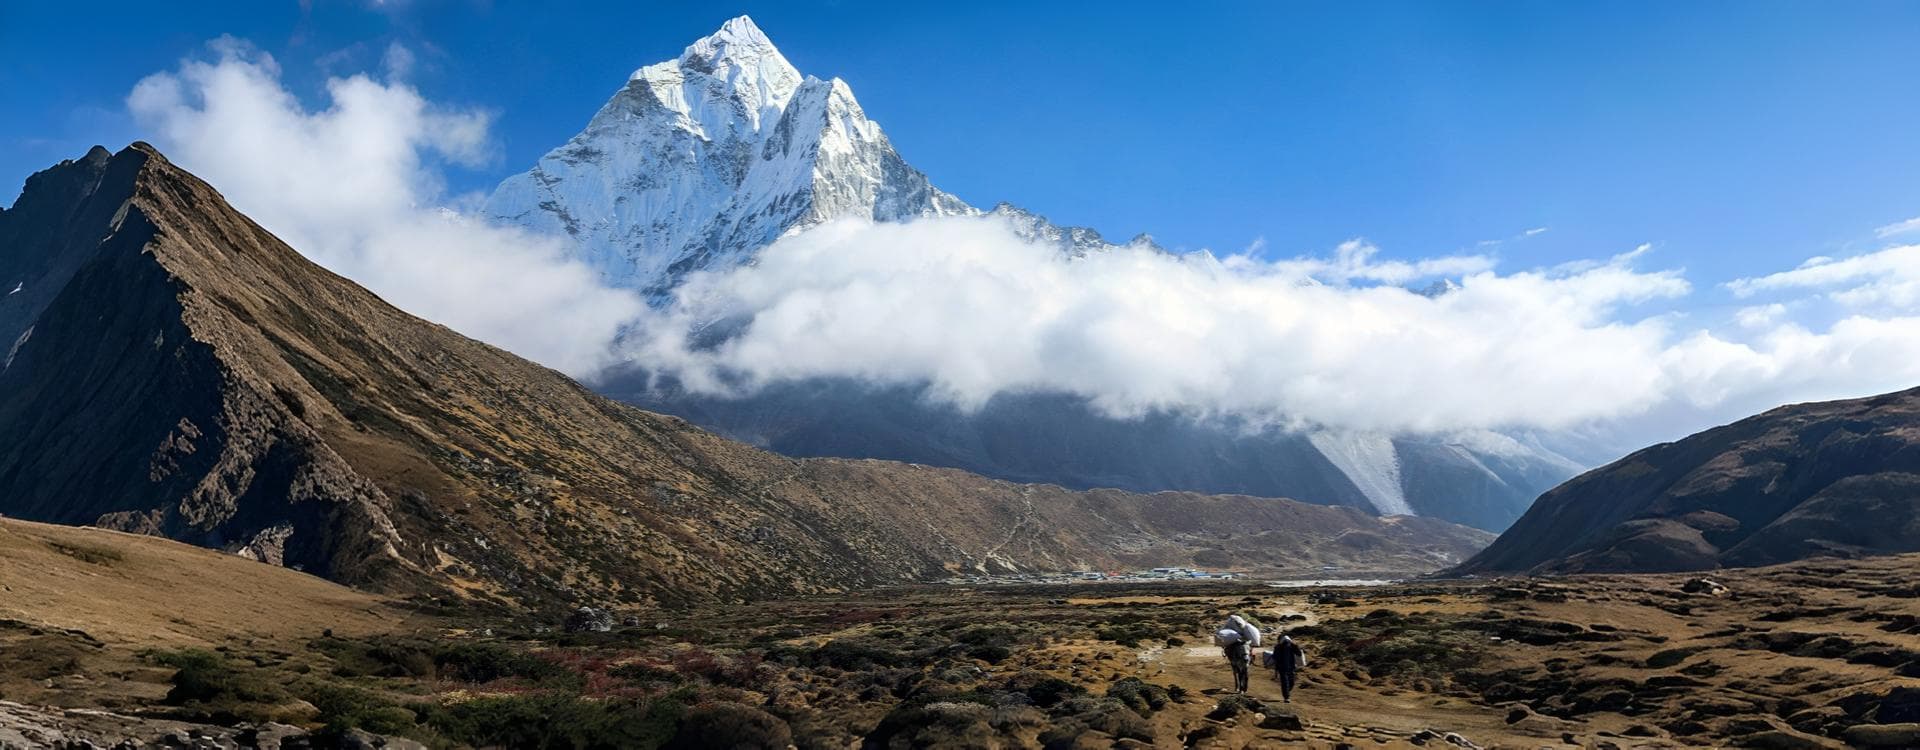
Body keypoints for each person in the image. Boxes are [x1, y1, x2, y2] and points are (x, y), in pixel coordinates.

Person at [1217, 614, 1262, 693]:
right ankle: (1233, 660)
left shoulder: (1243, 627)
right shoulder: (1234, 627)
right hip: (1237, 641)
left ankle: (1243, 687)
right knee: (1231, 648)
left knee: (1249, 649)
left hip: (1244, 641)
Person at [1271, 632, 1305, 702]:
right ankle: (1286, 697)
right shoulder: (1280, 647)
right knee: (1287, 682)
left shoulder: (1285, 646)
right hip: (1285, 667)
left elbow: (1298, 653)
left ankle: (1286, 693)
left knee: (1289, 682)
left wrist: (1295, 646)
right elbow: (1299, 653)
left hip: (1288, 667)